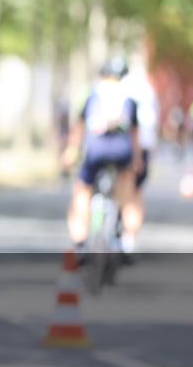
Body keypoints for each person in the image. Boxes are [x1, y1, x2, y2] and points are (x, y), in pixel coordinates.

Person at [61, 57, 142, 261]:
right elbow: (134, 134)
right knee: (128, 190)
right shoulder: (129, 98)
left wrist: (71, 151)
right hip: (122, 151)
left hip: (95, 151)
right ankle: (127, 239)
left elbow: (79, 127)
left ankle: (79, 242)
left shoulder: (92, 94)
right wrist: (138, 159)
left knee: (82, 190)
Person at [120, 65, 159, 255]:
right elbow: (152, 122)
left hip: (121, 143)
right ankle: (130, 239)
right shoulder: (148, 90)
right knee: (135, 192)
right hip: (143, 144)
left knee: (122, 187)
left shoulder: (115, 88)